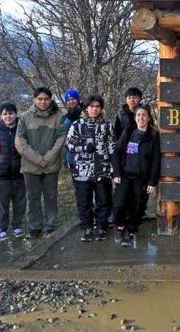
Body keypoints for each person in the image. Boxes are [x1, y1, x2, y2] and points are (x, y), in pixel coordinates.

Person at [15, 87, 66, 239]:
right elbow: (19, 142)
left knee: (51, 196)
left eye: (46, 99)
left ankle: (49, 225)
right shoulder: (24, 117)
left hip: (51, 165)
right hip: (31, 166)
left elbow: (61, 138)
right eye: (40, 99)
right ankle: (34, 227)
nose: (43, 102)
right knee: (33, 197)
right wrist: (38, 159)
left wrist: (49, 158)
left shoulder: (58, 116)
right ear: (34, 100)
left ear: (51, 100)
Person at [66, 95, 115, 242]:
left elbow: (112, 147)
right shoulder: (77, 125)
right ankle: (87, 227)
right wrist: (82, 147)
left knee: (103, 200)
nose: (94, 109)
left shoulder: (107, 125)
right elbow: (68, 144)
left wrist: (114, 168)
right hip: (82, 171)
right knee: (84, 201)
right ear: (86, 108)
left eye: (98, 106)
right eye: (92, 106)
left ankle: (101, 226)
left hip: (103, 170)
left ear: (101, 108)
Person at [113, 104, 161, 247]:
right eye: (138, 115)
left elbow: (155, 160)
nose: (141, 118)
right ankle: (121, 226)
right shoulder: (128, 132)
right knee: (119, 203)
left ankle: (132, 230)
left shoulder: (153, 135)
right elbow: (116, 152)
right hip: (125, 175)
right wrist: (116, 172)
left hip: (142, 178)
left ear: (148, 118)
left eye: (144, 115)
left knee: (138, 204)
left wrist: (152, 181)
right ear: (135, 117)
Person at [0, 103, 26, 241]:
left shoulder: (22, 129)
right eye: (5, 114)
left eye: (11, 113)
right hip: (2, 175)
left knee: (20, 201)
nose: (8, 116)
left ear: (16, 114)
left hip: (20, 173)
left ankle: (17, 226)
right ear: (1, 116)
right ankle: (2, 229)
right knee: (2, 203)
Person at [62, 89, 82, 170]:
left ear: (78, 99)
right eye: (68, 100)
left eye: (73, 99)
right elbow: (63, 132)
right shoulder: (66, 116)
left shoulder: (86, 112)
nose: (71, 101)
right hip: (71, 154)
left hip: (85, 153)